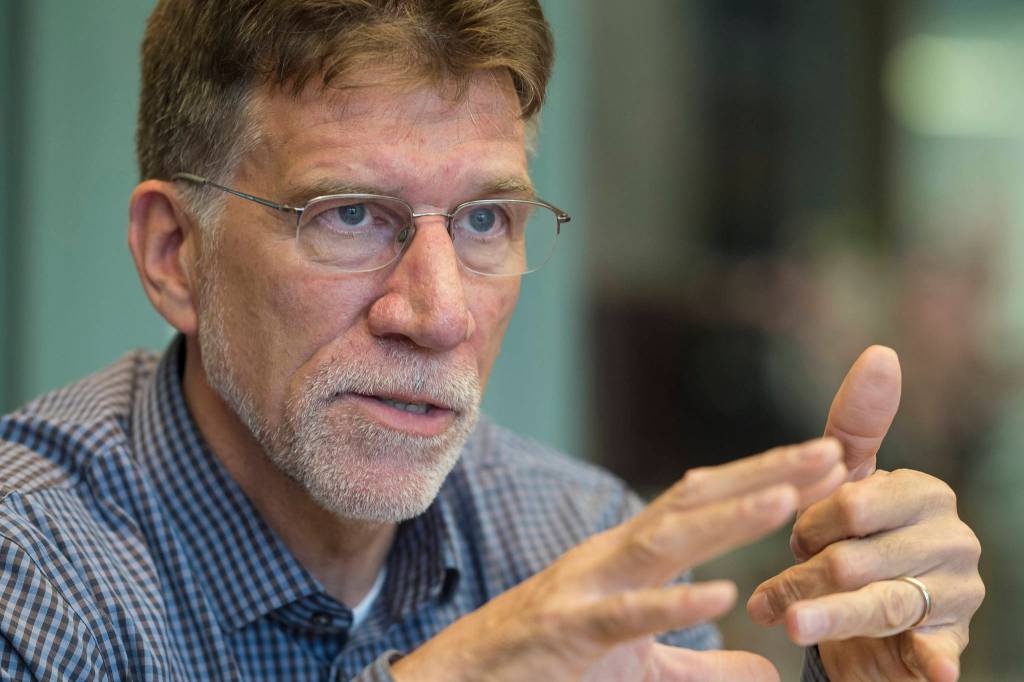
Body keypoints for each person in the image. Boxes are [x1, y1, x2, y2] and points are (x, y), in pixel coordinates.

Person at [0, 1, 982, 680]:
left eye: (483, 221)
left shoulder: (581, 537)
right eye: (350, 216)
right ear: (175, 254)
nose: (439, 314)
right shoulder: (31, 565)